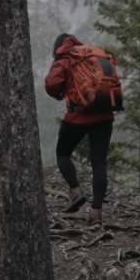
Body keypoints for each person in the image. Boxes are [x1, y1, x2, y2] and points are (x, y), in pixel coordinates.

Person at [45, 33, 113, 225]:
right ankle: (97, 211)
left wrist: (60, 93)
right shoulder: (91, 56)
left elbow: (51, 85)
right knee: (99, 162)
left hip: (78, 116)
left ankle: (75, 191)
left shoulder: (64, 59)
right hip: (104, 115)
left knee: (63, 153)